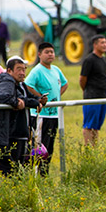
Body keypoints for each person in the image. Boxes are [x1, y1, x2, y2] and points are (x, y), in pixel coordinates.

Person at [0, 58, 45, 175]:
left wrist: (36, 101)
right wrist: (16, 103)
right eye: (19, 69)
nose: (22, 73)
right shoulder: (7, 82)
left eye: (24, 69)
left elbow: (24, 98)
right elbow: (2, 96)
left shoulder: (14, 83)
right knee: (8, 171)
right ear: (9, 70)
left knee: (3, 169)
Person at [24, 43, 68, 175]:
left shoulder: (56, 69)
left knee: (50, 148)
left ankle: (44, 174)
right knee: (39, 148)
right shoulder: (37, 70)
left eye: (52, 52)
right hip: (41, 116)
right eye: (47, 52)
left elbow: (65, 84)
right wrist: (39, 99)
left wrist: (56, 98)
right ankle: (36, 176)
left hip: (54, 115)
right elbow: (27, 85)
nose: (50, 54)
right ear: (39, 55)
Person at [80, 35, 106, 146]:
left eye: (105, 42)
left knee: (96, 126)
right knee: (89, 126)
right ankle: (89, 152)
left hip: (102, 97)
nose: (105, 45)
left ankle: (95, 151)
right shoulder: (89, 60)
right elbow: (82, 79)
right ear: (95, 45)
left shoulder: (104, 60)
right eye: (102, 43)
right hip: (92, 97)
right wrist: (88, 91)